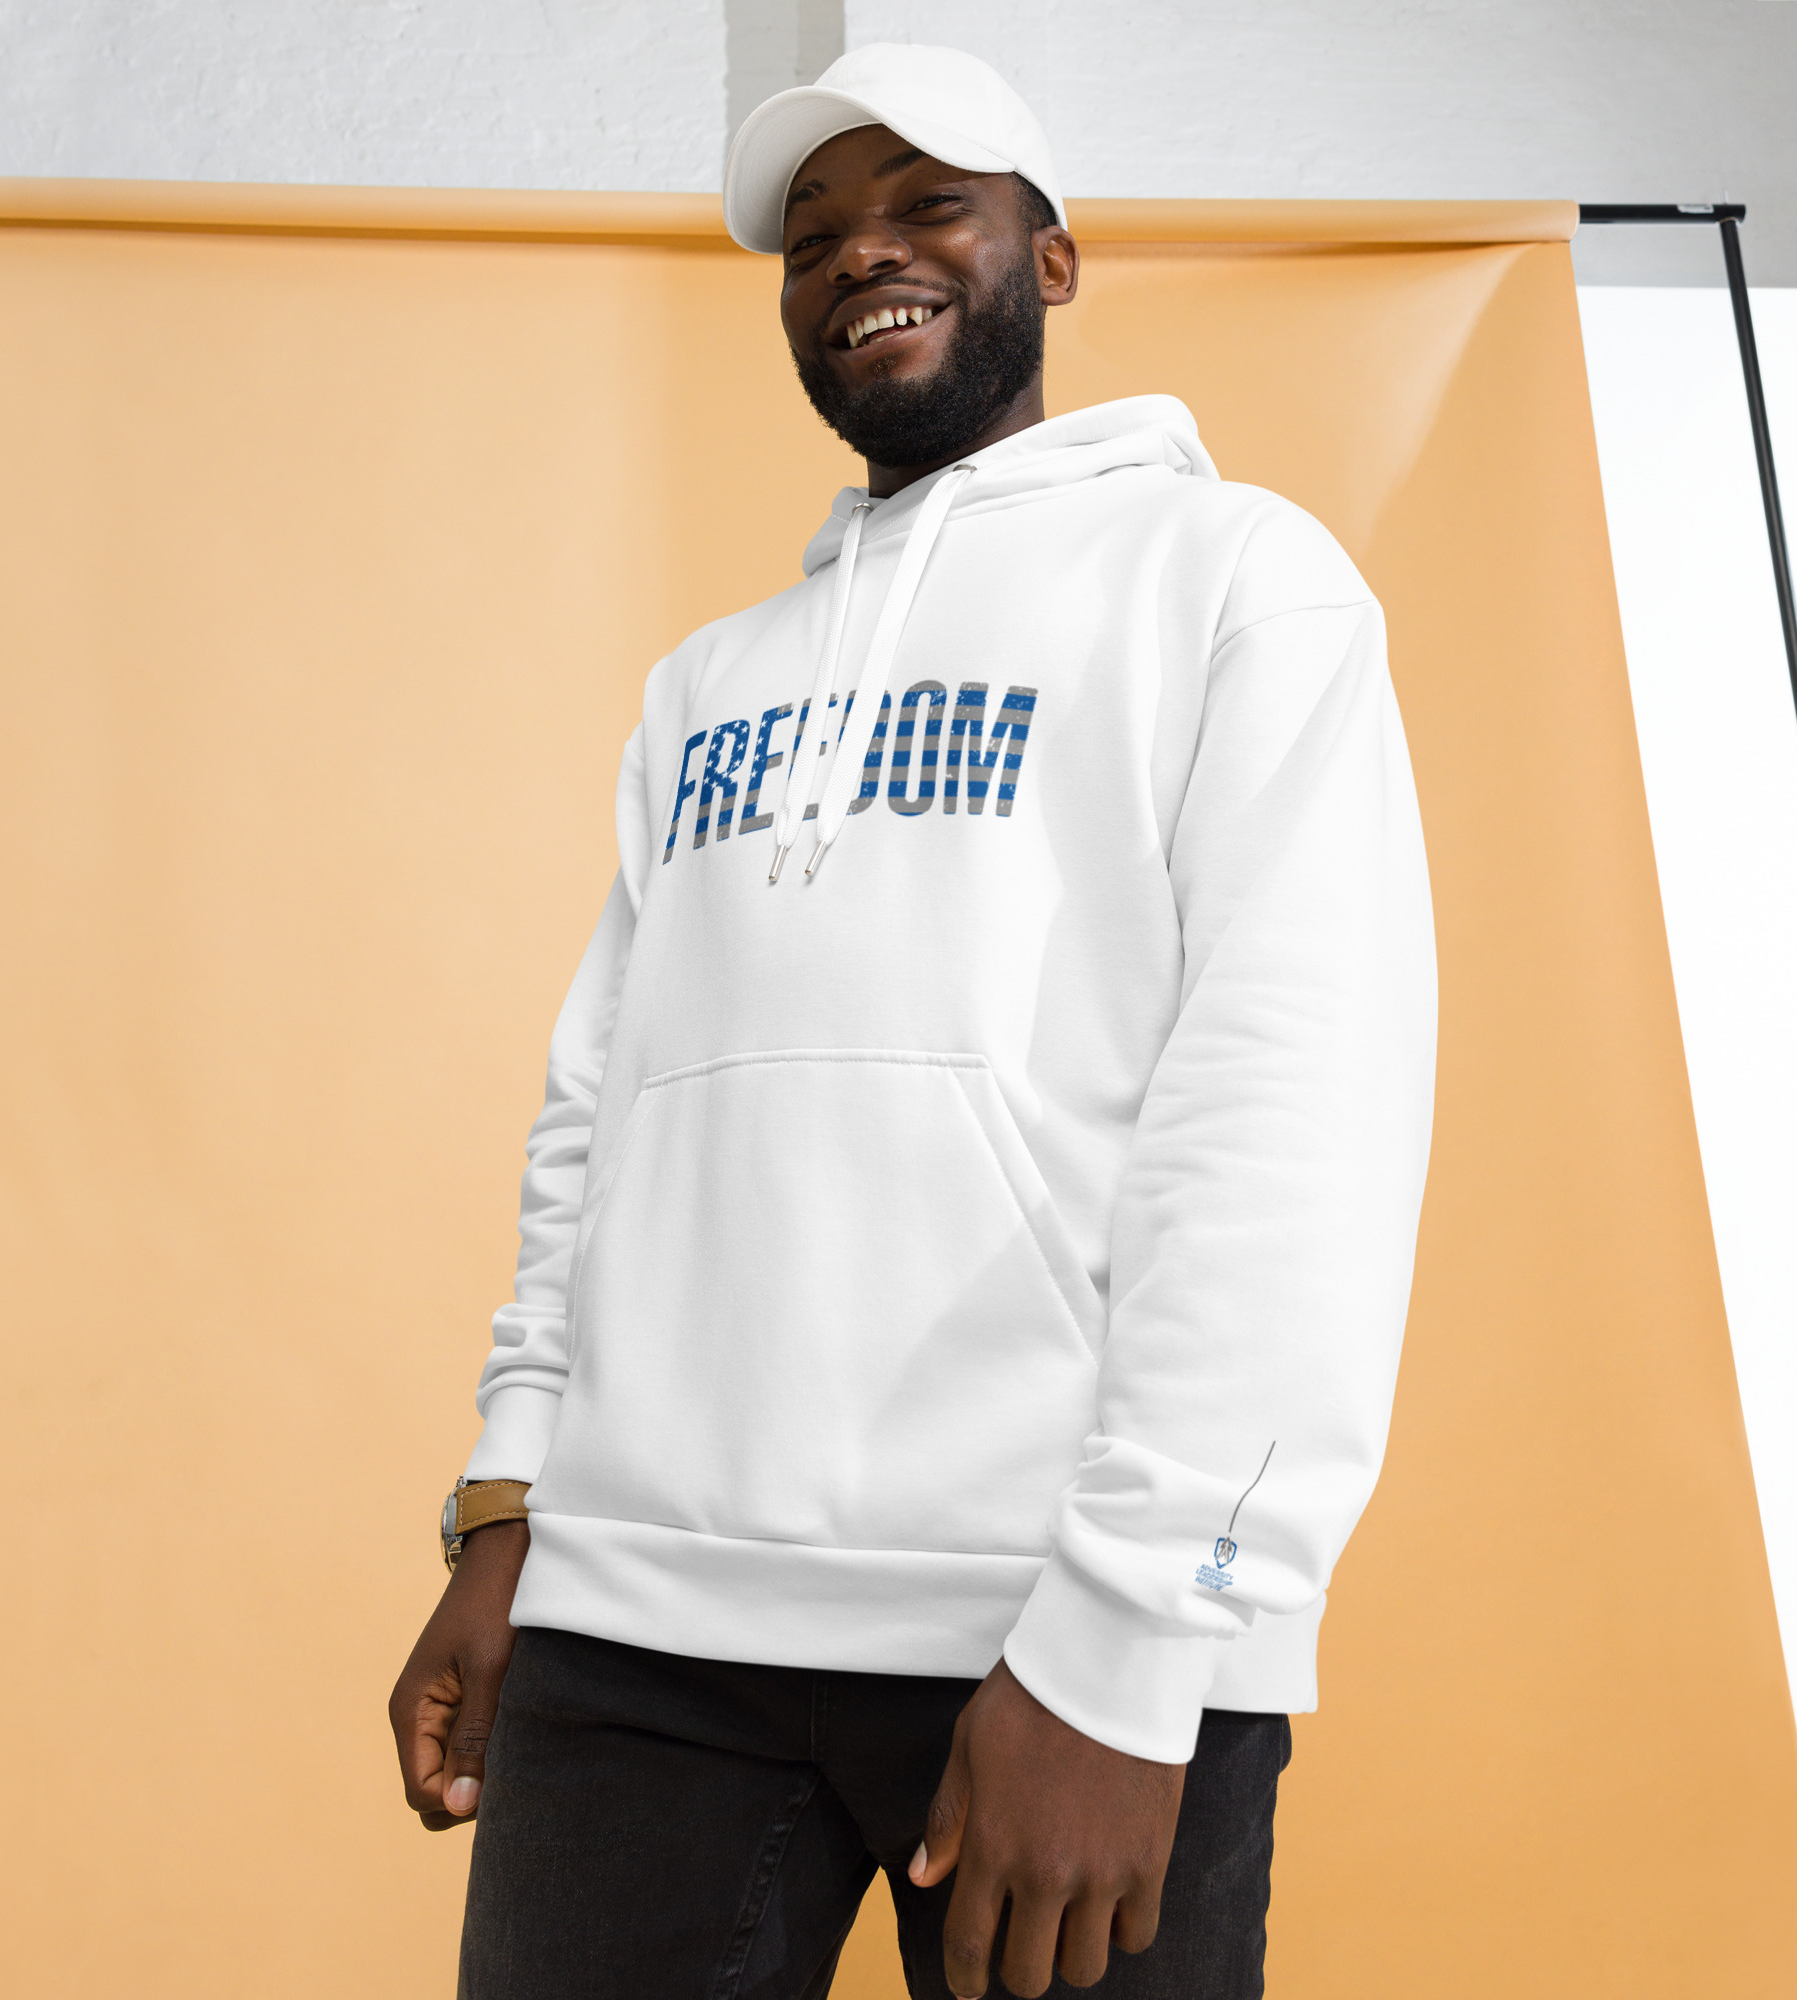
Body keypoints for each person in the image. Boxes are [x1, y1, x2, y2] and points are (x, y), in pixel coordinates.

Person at [390, 41, 1436, 2000]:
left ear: (1051, 259)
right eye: (812, 238)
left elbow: (1291, 1120)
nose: (862, 254)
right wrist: (512, 1503)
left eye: (927, 204)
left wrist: (1141, 1636)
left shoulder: (1237, 583)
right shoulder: (707, 685)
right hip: (637, 1629)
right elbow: (601, 1117)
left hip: (1054, 1626)